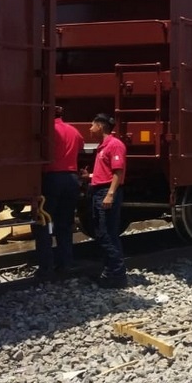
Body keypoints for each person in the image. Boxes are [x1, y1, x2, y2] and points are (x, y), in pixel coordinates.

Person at [33, 106, 85, 279]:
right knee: (65, 223)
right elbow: (80, 147)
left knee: (44, 222)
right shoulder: (73, 130)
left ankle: (46, 267)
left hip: (52, 179)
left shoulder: (48, 131)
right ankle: (65, 264)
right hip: (71, 179)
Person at [88, 112, 128, 288]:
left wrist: (110, 194)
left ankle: (117, 275)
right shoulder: (102, 146)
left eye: (92, 125)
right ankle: (109, 271)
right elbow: (106, 172)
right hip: (99, 191)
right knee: (101, 233)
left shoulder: (114, 145)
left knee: (108, 234)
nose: (90, 129)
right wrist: (89, 176)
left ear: (100, 126)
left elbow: (118, 172)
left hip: (106, 192)